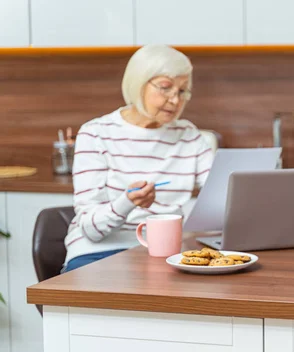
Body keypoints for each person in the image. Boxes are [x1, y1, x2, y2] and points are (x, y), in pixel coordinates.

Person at [62, 44, 216, 273]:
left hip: (165, 253)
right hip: (98, 253)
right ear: (138, 83)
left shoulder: (190, 136)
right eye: (165, 88)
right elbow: (90, 229)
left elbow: (220, 197)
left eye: (183, 91)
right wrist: (127, 201)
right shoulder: (95, 133)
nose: (175, 100)